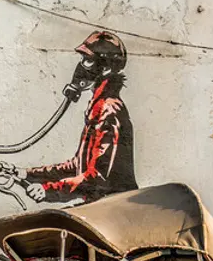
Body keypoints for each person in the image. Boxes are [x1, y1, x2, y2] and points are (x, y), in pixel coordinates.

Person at [17, 30, 137, 204]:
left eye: (87, 61)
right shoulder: (98, 106)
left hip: (112, 211)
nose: (81, 67)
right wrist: (26, 173)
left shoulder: (108, 110)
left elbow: (97, 177)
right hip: (100, 206)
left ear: (105, 68)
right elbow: (77, 166)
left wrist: (47, 190)